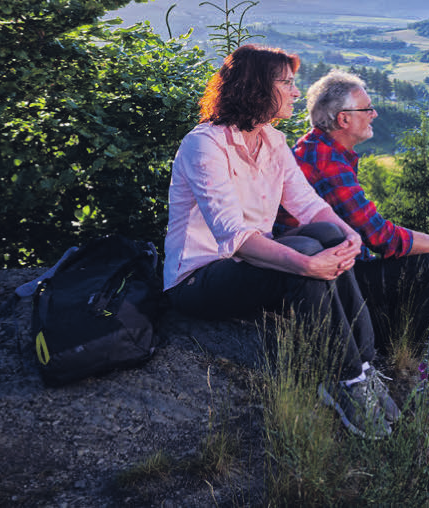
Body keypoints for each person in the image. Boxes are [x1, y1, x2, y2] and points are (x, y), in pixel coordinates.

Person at [163, 45, 397, 438]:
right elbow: (234, 237)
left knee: (328, 235)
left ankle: (364, 368)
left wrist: (349, 235)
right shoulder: (205, 144)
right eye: (286, 83)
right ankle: (341, 381)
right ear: (256, 87)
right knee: (305, 252)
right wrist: (305, 266)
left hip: (248, 266)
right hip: (199, 278)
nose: (294, 91)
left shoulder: (272, 140)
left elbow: (308, 205)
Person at [283, 70, 429, 363]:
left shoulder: (317, 148)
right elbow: (380, 238)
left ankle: (390, 348)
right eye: (367, 108)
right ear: (343, 119)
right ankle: (401, 361)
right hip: (322, 278)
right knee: (423, 266)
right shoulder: (327, 160)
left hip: (324, 272)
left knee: (399, 265)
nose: (374, 113)